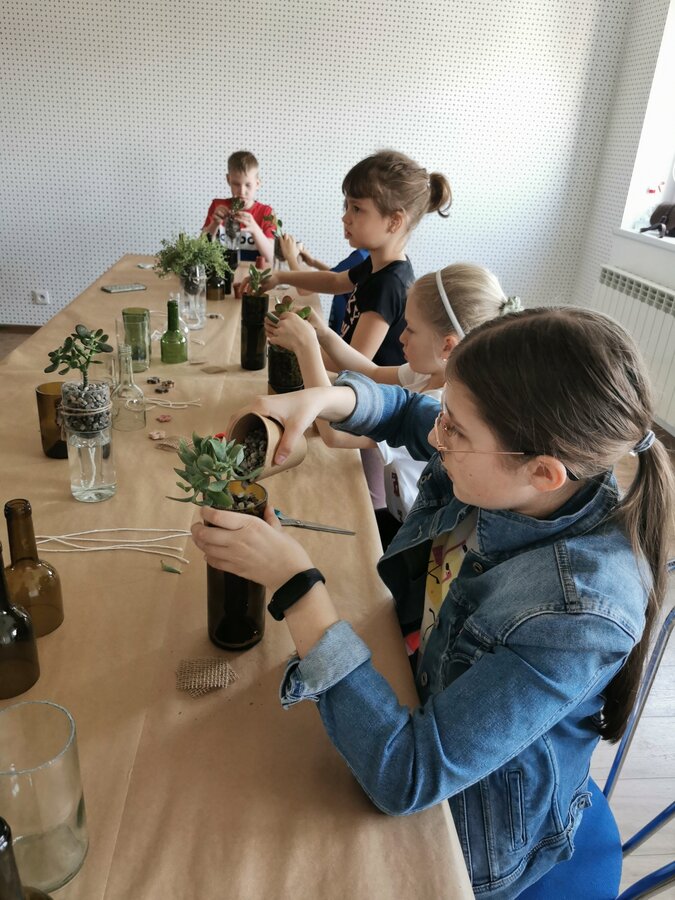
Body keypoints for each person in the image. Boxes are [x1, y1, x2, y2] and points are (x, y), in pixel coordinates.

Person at [192, 307, 674, 898]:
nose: (437, 435)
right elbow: (404, 411)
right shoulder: (510, 467)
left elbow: (407, 775)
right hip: (423, 684)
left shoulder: (578, 615)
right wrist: (322, 400)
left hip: (474, 830)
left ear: (543, 472)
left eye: (454, 430)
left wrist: (297, 587)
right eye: (445, 414)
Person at [265, 264, 520, 555]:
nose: (401, 337)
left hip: (417, 537)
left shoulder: (441, 410)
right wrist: (323, 334)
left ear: (447, 346)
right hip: (398, 513)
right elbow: (371, 372)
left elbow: (333, 434)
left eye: (410, 329)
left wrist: (306, 348)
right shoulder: (427, 373)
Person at [249, 149, 452, 510]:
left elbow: (354, 368)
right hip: (355, 398)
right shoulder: (375, 265)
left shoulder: (390, 284)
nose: (345, 217)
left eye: (357, 208)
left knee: (364, 501)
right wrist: (280, 276)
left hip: (370, 419)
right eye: (347, 206)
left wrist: (304, 345)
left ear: (394, 221)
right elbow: (333, 281)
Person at [278, 233, 369, 331]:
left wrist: (290, 256)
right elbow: (337, 276)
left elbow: (304, 289)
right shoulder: (366, 255)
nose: (345, 222)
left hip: (343, 331)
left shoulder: (358, 258)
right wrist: (313, 262)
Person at [201, 150, 276, 264]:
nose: (241, 191)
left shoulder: (267, 213)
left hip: (253, 272)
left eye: (248, 185)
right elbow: (200, 249)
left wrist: (255, 229)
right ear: (228, 180)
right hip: (222, 271)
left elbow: (271, 258)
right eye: (236, 184)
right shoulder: (217, 206)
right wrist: (214, 224)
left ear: (257, 184)